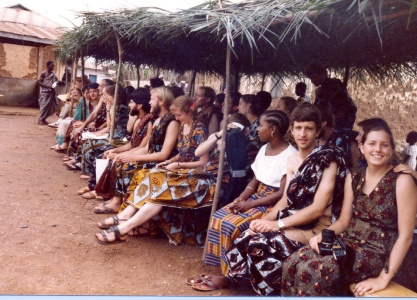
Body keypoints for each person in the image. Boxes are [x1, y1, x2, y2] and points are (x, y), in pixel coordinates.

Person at [189, 103, 348, 294]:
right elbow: (286, 201)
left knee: (260, 244)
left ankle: (265, 291)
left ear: (318, 131)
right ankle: (235, 280)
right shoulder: (293, 160)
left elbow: (318, 208)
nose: (303, 134)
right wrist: (263, 221)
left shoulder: (327, 160)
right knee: (246, 234)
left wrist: (276, 225)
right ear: (292, 129)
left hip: (315, 228)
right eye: (298, 128)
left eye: (309, 129)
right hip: (293, 221)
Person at [281, 121, 417, 297]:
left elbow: (405, 236)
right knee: (293, 262)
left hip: (377, 252)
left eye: (384, 145)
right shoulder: (354, 176)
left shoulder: (401, 181)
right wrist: (325, 235)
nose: (378, 149)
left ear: (391, 150)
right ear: (362, 147)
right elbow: (344, 220)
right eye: (372, 144)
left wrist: (383, 278)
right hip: (348, 241)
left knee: (314, 271)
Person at [94, 95, 222, 245]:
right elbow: (183, 153)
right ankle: (126, 215)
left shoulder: (199, 130)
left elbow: (203, 161)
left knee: (162, 187)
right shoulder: (183, 127)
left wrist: (178, 165)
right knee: (152, 176)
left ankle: (123, 227)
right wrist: (171, 161)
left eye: (179, 115)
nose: (177, 118)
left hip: (198, 173)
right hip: (183, 169)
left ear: (189, 112)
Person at [203, 110, 297, 274]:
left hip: (272, 204)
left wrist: (250, 204)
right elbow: (254, 182)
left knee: (231, 225)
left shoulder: (290, 155)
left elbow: (281, 193)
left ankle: (231, 273)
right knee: (219, 216)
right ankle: (219, 267)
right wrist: (240, 199)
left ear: (273, 129)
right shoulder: (263, 149)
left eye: (261, 126)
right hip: (256, 196)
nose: (258, 130)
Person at [93, 86, 179, 214]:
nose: (149, 102)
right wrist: (125, 155)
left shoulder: (172, 123)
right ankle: (117, 201)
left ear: (161, 101)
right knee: (120, 162)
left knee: (127, 167)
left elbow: (164, 154)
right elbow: (145, 148)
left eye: (152, 99)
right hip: (150, 157)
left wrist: (133, 157)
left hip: (161, 162)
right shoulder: (158, 121)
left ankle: (121, 204)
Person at [90, 88, 155, 210]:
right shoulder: (139, 121)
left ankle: (116, 201)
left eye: (131, 102)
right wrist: (115, 151)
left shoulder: (149, 122)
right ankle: (108, 195)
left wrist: (124, 155)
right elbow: (131, 144)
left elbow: (142, 147)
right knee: (110, 155)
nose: (129, 105)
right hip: (135, 152)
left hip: (142, 155)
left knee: (119, 163)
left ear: (139, 105)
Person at [304, 63, 357, 130]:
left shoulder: (334, 86)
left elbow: (343, 109)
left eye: (314, 77)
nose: (312, 81)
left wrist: (329, 124)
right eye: (311, 78)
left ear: (323, 74)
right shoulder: (321, 90)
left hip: (340, 126)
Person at [37, 61, 58, 125]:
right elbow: (39, 82)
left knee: (50, 107)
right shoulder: (44, 73)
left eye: (53, 66)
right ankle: (40, 119)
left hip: (51, 93)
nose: (53, 67)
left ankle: (44, 119)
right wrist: (47, 86)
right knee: (44, 106)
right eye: (52, 65)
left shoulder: (54, 75)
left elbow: (56, 81)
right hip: (45, 92)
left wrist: (56, 83)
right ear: (47, 66)